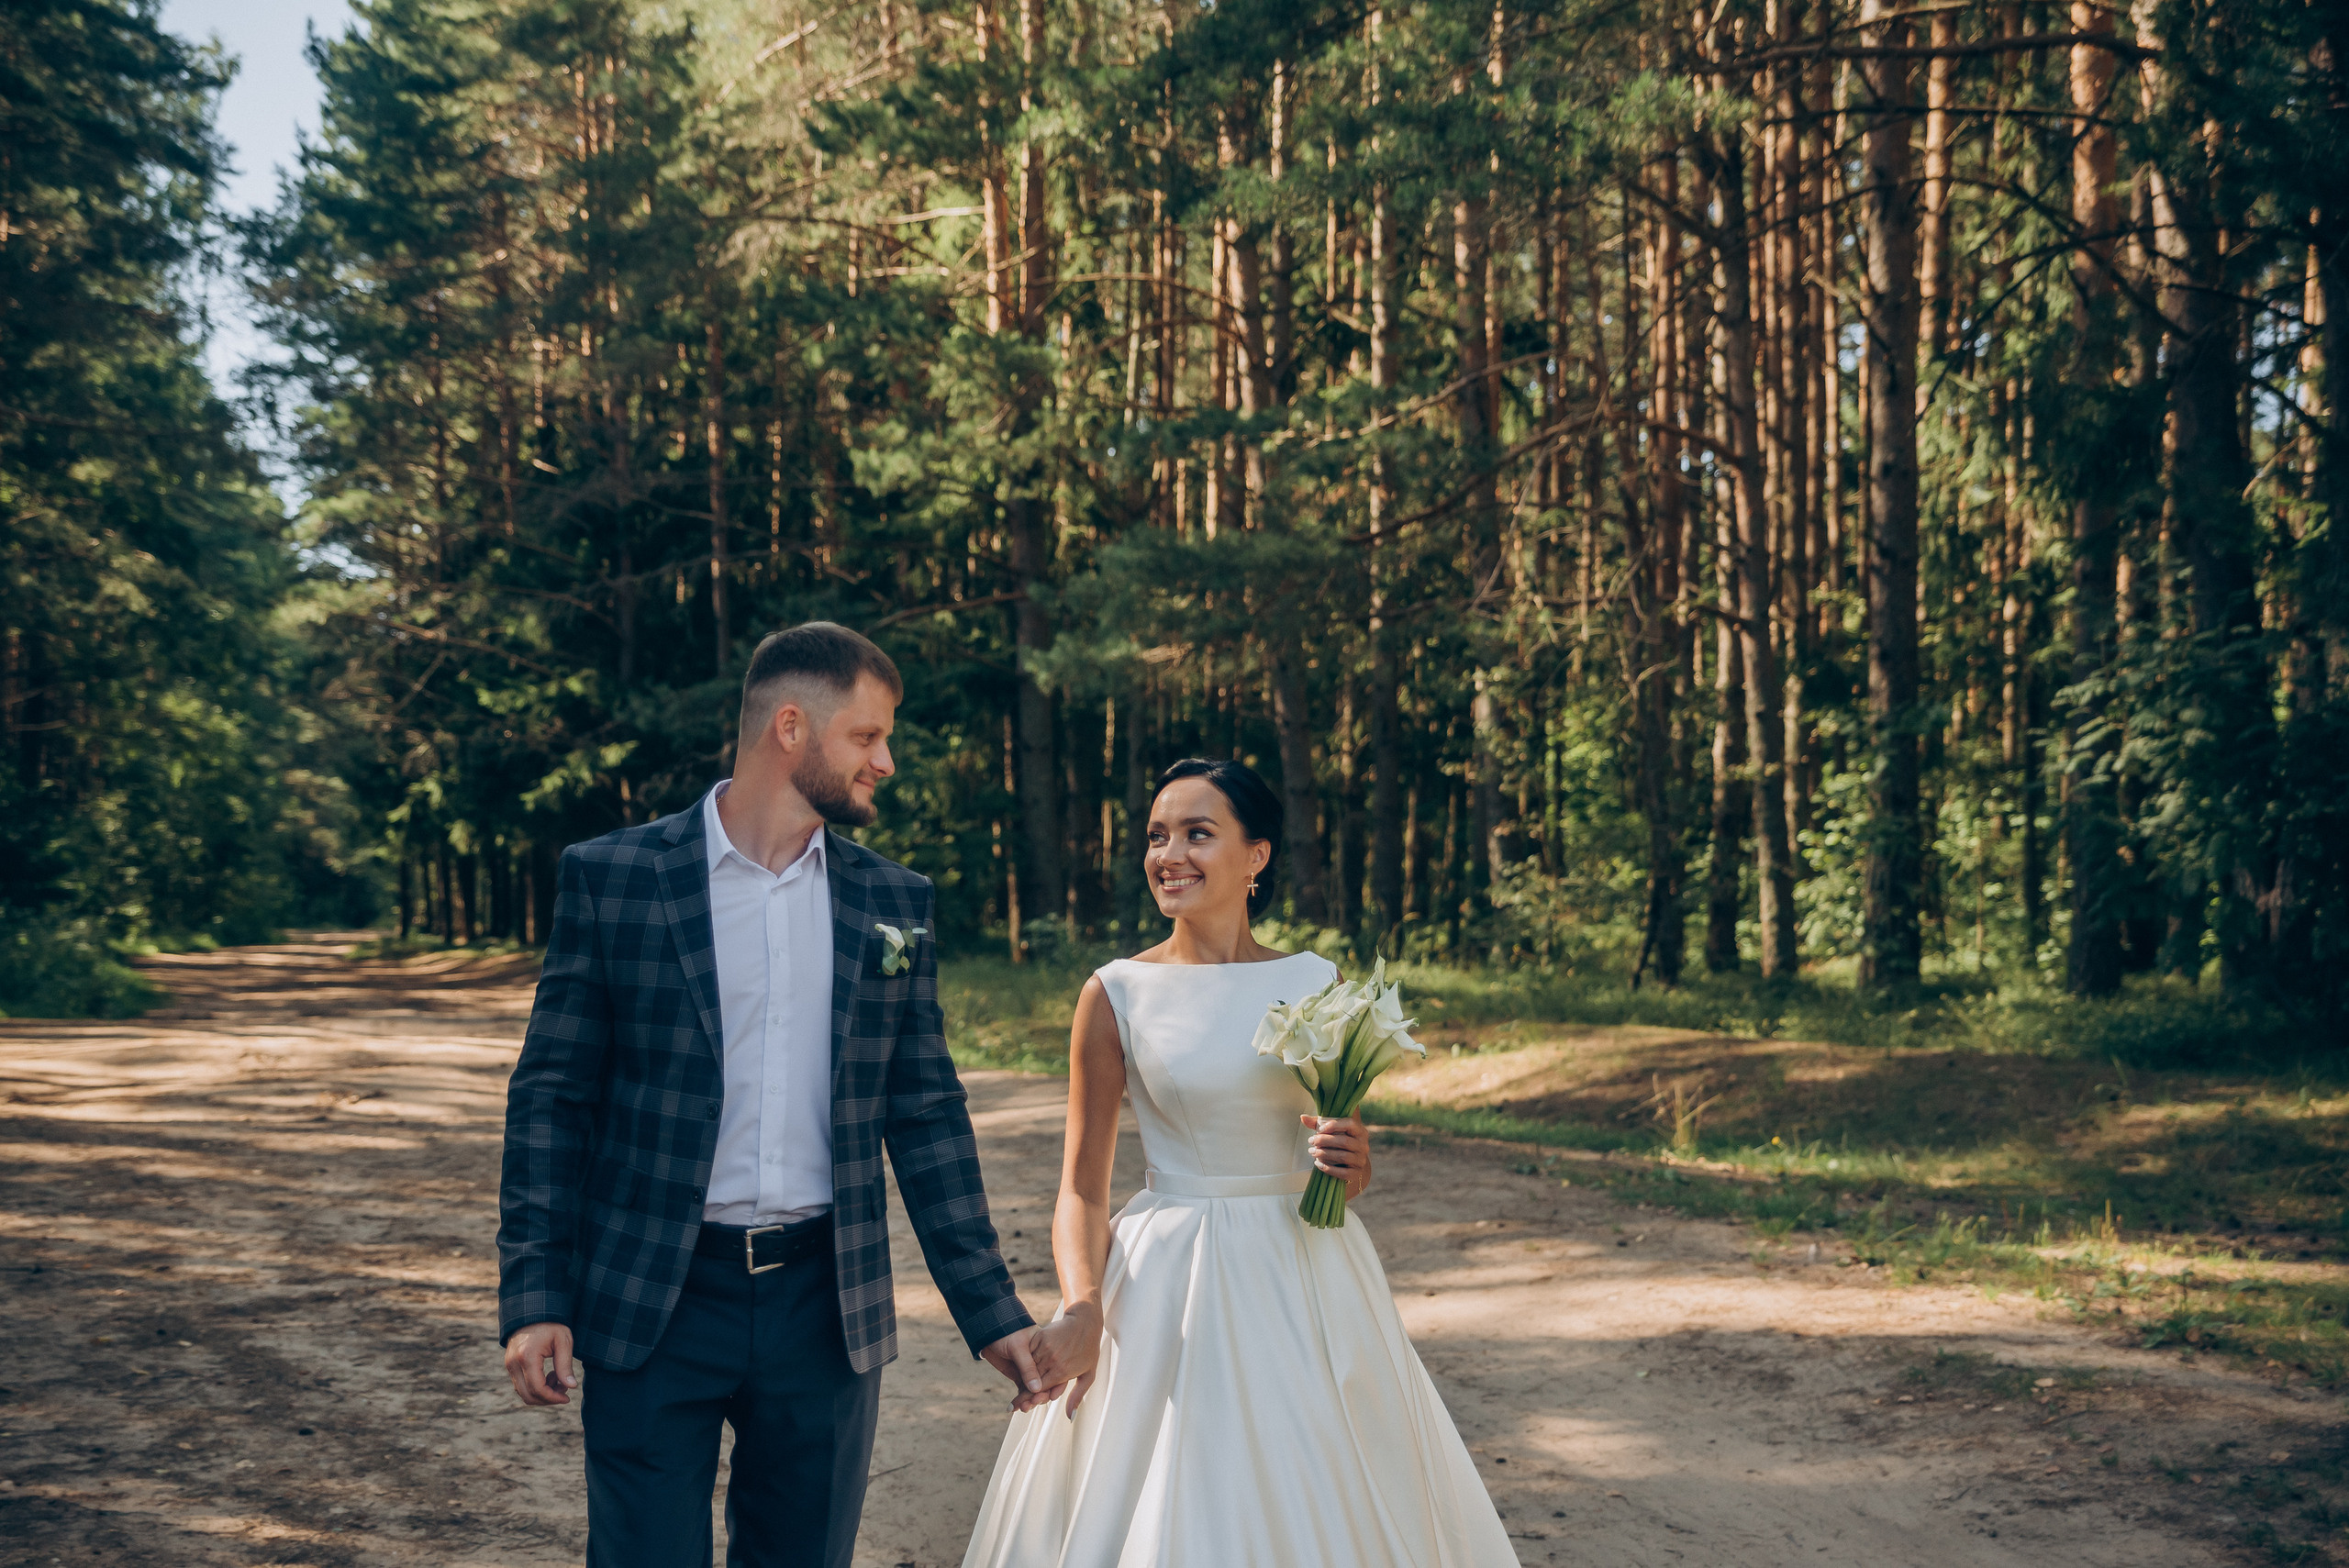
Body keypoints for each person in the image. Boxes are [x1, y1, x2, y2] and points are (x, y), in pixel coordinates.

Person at [495, 621, 1046, 1568]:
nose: (886, 760)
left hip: (825, 1308)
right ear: (791, 726)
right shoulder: (614, 878)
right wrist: (535, 1291)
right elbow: (552, 1098)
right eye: (866, 736)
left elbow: (923, 1112)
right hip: (651, 1299)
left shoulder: (893, 901)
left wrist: (990, 1308)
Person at [960, 759, 1517, 1567]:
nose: (1168, 854)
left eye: (1197, 833)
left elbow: (1345, 1157)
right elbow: (1082, 1186)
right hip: (1167, 1282)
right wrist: (1084, 1306)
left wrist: (1353, 1161)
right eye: (1157, 836)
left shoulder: (1319, 983)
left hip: (1308, 1272)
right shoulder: (1115, 991)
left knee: (1326, 1478)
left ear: (1255, 856)